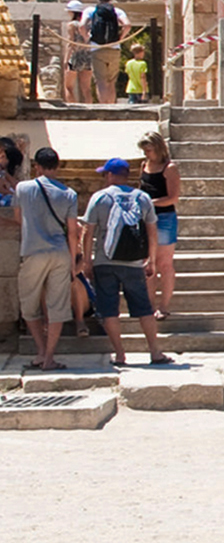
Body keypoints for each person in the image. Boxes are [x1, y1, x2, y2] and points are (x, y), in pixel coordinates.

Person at [83, 157, 172, 366]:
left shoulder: (100, 197)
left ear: (111, 175)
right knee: (144, 308)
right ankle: (155, 352)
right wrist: (150, 260)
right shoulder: (142, 198)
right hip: (133, 262)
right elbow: (152, 231)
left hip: (105, 261)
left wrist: (87, 260)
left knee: (109, 309)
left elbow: (87, 232)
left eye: (105, 174)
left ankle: (120, 354)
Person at [14, 147, 80, 371]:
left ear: (37, 167)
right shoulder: (69, 193)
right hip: (60, 252)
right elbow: (73, 231)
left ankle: (41, 351)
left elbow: (17, 218)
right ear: (57, 166)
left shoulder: (23, 188)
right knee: (57, 307)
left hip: (33, 250)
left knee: (29, 306)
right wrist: (73, 261)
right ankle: (49, 356)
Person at [137, 130, 182, 319]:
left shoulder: (169, 168)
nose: (146, 154)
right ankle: (149, 304)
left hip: (164, 218)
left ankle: (163, 306)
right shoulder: (144, 165)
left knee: (164, 263)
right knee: (148, 264)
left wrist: (151, 203)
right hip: (146, 219)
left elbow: (173, 198)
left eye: (149, 150)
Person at [81, 0, 130, 104]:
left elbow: (82, 26)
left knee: (101, 81)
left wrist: (87, 38)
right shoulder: (117, 11)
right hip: (114, 49)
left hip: (97, 48)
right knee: (111, 81)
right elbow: (127, 25)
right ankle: (112, 109)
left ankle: (103, 108)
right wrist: (120, 38)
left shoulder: (90, 10)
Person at [62, 0, 92, 103]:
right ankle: (90, 110)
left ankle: (72, 109)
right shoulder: (87, 25)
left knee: (68, 87)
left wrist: (66, 59)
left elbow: (70, 42)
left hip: (74, 56)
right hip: (87, 56)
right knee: (86, 89)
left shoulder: (72, 25)